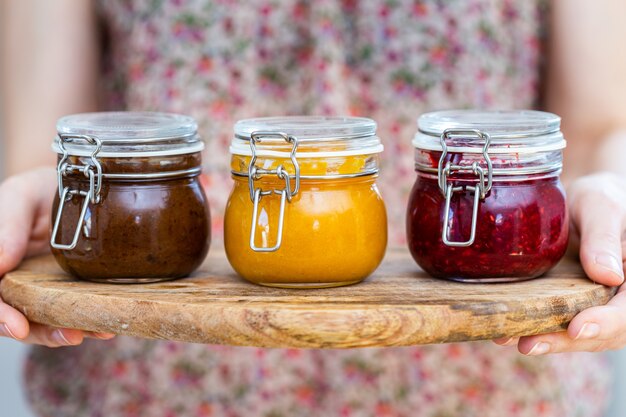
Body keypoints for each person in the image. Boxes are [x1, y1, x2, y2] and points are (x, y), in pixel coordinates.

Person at [1, 1, 626, 416]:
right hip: (147, 383)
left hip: (485, 389)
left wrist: (612, 188)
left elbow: (599, 125)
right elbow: (53, 137)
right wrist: (30, 190)